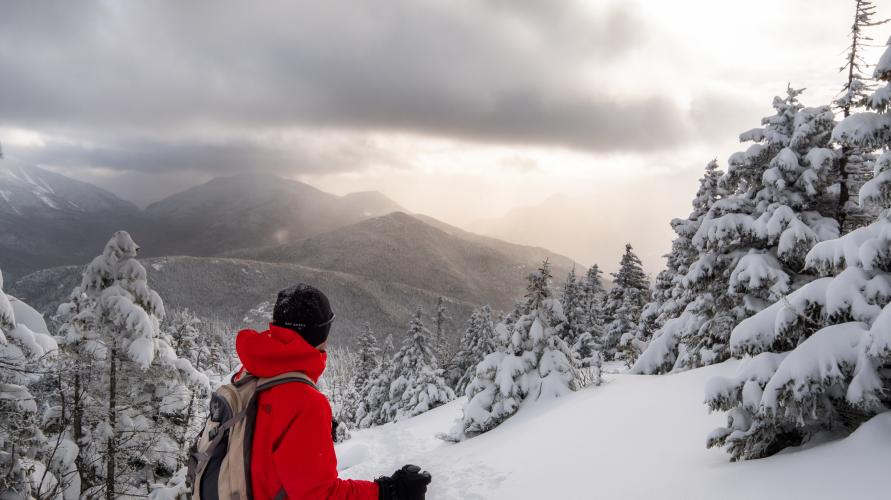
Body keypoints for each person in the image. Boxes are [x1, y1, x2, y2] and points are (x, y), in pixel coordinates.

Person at [234, 283, 432, 500]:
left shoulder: (250, 373)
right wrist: (389, 491)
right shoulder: (305, 402)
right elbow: (321, 496)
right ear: (321, 335)